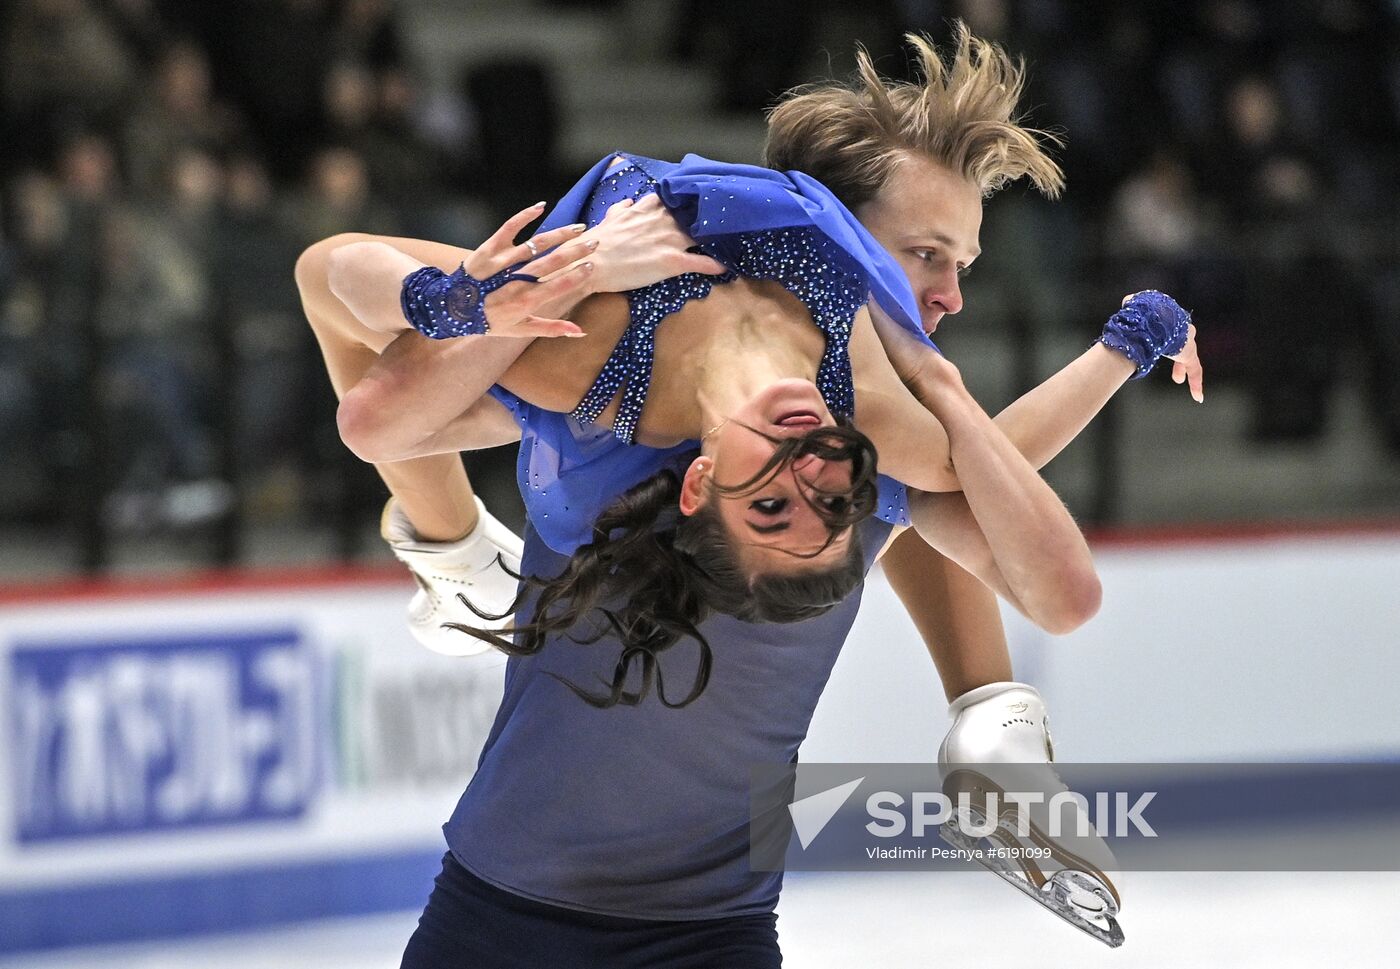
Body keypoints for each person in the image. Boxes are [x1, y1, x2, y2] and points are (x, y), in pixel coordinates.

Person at [295, 26, 1198, 960]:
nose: (950, 293)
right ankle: (451, 553)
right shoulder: (727, 363)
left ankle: (985, 705)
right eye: (928, 256)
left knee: (904, 483)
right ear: (846, 230)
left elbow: (978, 492)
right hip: (520, 904)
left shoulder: (825, 422)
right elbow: (341, 310)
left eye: (963, 264)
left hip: (707, 925)